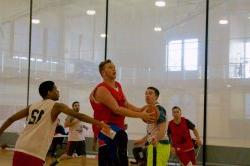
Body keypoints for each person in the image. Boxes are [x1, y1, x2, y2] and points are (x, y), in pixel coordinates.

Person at [0, 80, 108, 166]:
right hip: (35, 151)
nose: (58, 91)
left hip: (20, 146)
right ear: (49, 92)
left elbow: (10, 119)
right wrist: (99, 123)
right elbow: (79, 115)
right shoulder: (56, 106)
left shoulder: (32, 106)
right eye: (56, 89)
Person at [89, 59, 155, 166]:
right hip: (104, 127)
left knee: (117, 145)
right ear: (103, 72)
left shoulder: (118, 85)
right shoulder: (101, 89)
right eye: (110, 67)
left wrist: (140, 109)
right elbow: (117, 109)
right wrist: (140, 115)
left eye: (114, 67)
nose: (114, 69)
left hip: (115, 127)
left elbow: (125, 104)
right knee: (121, 138)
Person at [132, 87, 170, 166]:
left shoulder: (158, 109)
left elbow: (162, 129)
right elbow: (153, 132)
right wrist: (142, 140)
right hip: (157, 145)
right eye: (146, 93)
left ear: (156, 97)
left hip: (158, 145)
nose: (147, 95)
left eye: (150, 93)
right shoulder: (152, 109)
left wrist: (156, 139)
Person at [50, 101, 89, 166]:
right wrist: (76, 120)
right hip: (73, 139)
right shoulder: (70, 115)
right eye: (75, 105)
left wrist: (83, 127)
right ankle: (57, 161)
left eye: (78, 105)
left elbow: (79, 124)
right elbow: (65, 125)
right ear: (73, 107)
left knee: (84, 155)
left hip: (81, 138)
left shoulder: (80, 115)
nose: (77, 107)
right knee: (68, 155)